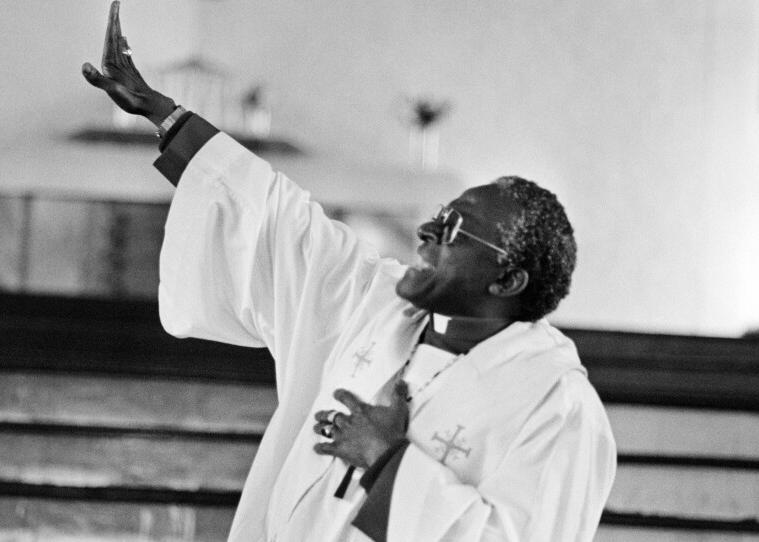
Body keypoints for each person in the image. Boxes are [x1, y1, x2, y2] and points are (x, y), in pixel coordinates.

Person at [83, 3, 616, 541]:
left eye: (454, 229)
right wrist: (166, 116)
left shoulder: (557, 406)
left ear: (506, 281)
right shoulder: (379, 304)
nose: (427, 231)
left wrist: (387, 461)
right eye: (439, 214)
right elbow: (281, 223)